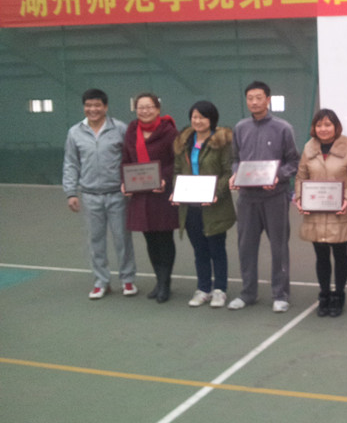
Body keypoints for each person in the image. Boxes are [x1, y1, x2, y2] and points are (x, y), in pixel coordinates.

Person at [228, 81, 300, 312]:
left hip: (275, 198)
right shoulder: (240, 128)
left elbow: (293, 162)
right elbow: (235, 159)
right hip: (247, 198)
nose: (254, 102)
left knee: (279, 247)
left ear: (268, 100)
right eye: (250, 98)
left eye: (259, 98)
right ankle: (247, 293)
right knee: (246, 247)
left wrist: (277, 177)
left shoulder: (283, 128)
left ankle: (281, 295)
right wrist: (235, 174)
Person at [63, 88, 137, 299]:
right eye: (88, 105)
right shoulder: (74, 132)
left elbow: (131, 159)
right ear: (84, 107)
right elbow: (71, 163)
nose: (92, 109)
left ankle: (128, 280)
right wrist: (71, 192)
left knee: (122, 239)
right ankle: (101, 281)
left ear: (105, 107)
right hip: (90, 195)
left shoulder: (120, 129)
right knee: (95, 240)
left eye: (97, 105)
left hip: (118, 195)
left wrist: (131, 186)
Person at [295, 109, 347, 317]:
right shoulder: (308, 149)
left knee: (340, 254)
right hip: (315, 213)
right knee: (321, 255)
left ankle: (339, 295)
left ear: (336, 127)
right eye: (319, 125)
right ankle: (324, 294)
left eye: (327, 125)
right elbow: (300, 177)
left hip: (340, 212)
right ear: (314, 128)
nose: (323, 129)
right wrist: (300, 198)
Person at [172, 101, 236, 309]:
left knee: (217, 249)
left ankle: (220, 290)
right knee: (199, 250)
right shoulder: (184, 142)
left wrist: (216, 193)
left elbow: (228, 173)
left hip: (214, 206)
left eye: (202, 117)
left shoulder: (222, 142)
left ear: (211, 119)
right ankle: (203, 288)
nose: (197, 121)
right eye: (194, 117)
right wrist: (176, 191)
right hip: (190, 206)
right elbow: (177, 171)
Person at [122, 92, 179, 303]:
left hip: (161, 195)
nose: (144, 111)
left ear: (157, 109)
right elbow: (126, 160)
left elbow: (176, 161)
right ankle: (159, 280)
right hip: (140, 196)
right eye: (140, 107)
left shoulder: (170, 132)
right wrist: (124, 181)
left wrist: (163, 178)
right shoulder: (131, 131)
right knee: (150, 240)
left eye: (149, 107)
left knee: (164, 239)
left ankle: (165, 284)